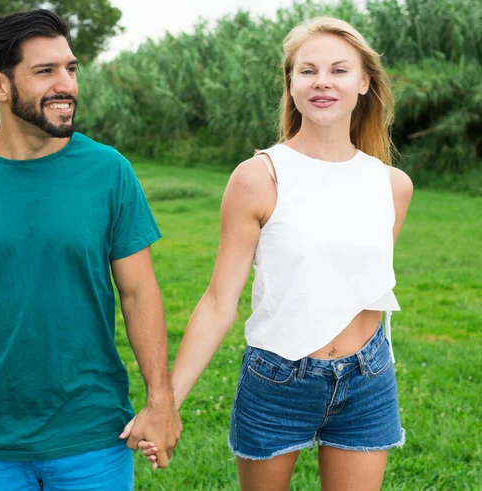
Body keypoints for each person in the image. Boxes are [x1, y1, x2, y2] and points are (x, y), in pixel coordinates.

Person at [0, 9, 180, 491]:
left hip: (92, 432)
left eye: (70, 68)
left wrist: (160, 399)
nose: (66, 84)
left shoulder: (109, 171)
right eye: (45, 71)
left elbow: (137, 291)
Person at [137, 16, 414, 490]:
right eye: (307, 70)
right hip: (278, 379)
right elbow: (220, 301)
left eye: (339, 70)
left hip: (369, 377)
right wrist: (167, 403)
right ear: (291, 82)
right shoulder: (258, 176)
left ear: (365, 82)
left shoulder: (393, 186)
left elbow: (353, 286)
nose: (322, 81)